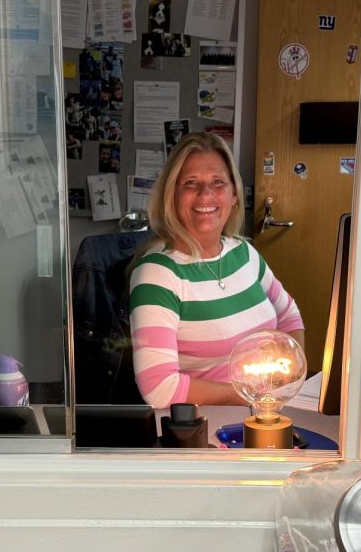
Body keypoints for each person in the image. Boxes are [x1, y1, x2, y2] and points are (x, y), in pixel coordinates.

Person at [129, 132, 304, 408]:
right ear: (171, 195)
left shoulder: (243, 253)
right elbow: (159, 388)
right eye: (190, 183)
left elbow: (290, 317)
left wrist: (291, 380)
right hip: (207, 430)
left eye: (218, 182)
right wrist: (254, 397)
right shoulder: (158, 274)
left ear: (234, 194)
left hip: (265, 412)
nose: (205, 194)